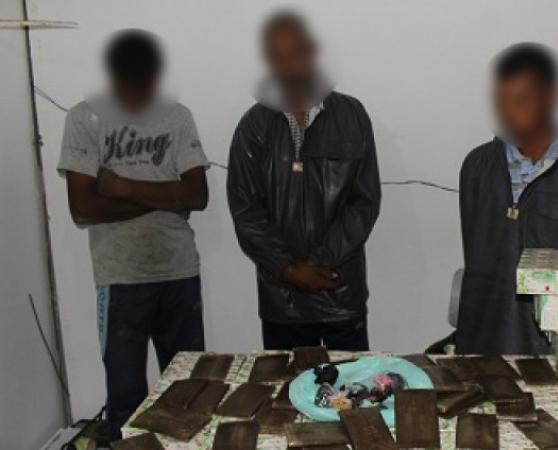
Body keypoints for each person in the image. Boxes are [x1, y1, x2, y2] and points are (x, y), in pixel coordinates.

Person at [58, 30, 209, 439]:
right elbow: (83, 208)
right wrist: (165, 196)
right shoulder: (84, 118)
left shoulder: (177, 116)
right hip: (120, 276)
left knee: (190, 393)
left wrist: (124, 187)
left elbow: (197, 195)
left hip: (179, 271)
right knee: (126, 399)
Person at [227, 12, 381, 351]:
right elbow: (245, 209)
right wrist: (287, 269)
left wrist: (318, 264)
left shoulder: (352, 116)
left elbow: (364, 202)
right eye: (278, 57)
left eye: (295, 53)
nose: (289, 66)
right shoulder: (254, 126)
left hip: (339, 291)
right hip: (281, 299)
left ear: (312, 51)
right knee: (286, 384)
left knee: (351, 384)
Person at [456, 43, 558, 355]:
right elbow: (477, 263)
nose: (509, 113)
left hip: (555, 349)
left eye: (521, 100)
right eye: (501, 101)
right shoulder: (477, 167)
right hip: (483, 344)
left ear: (552, 98)